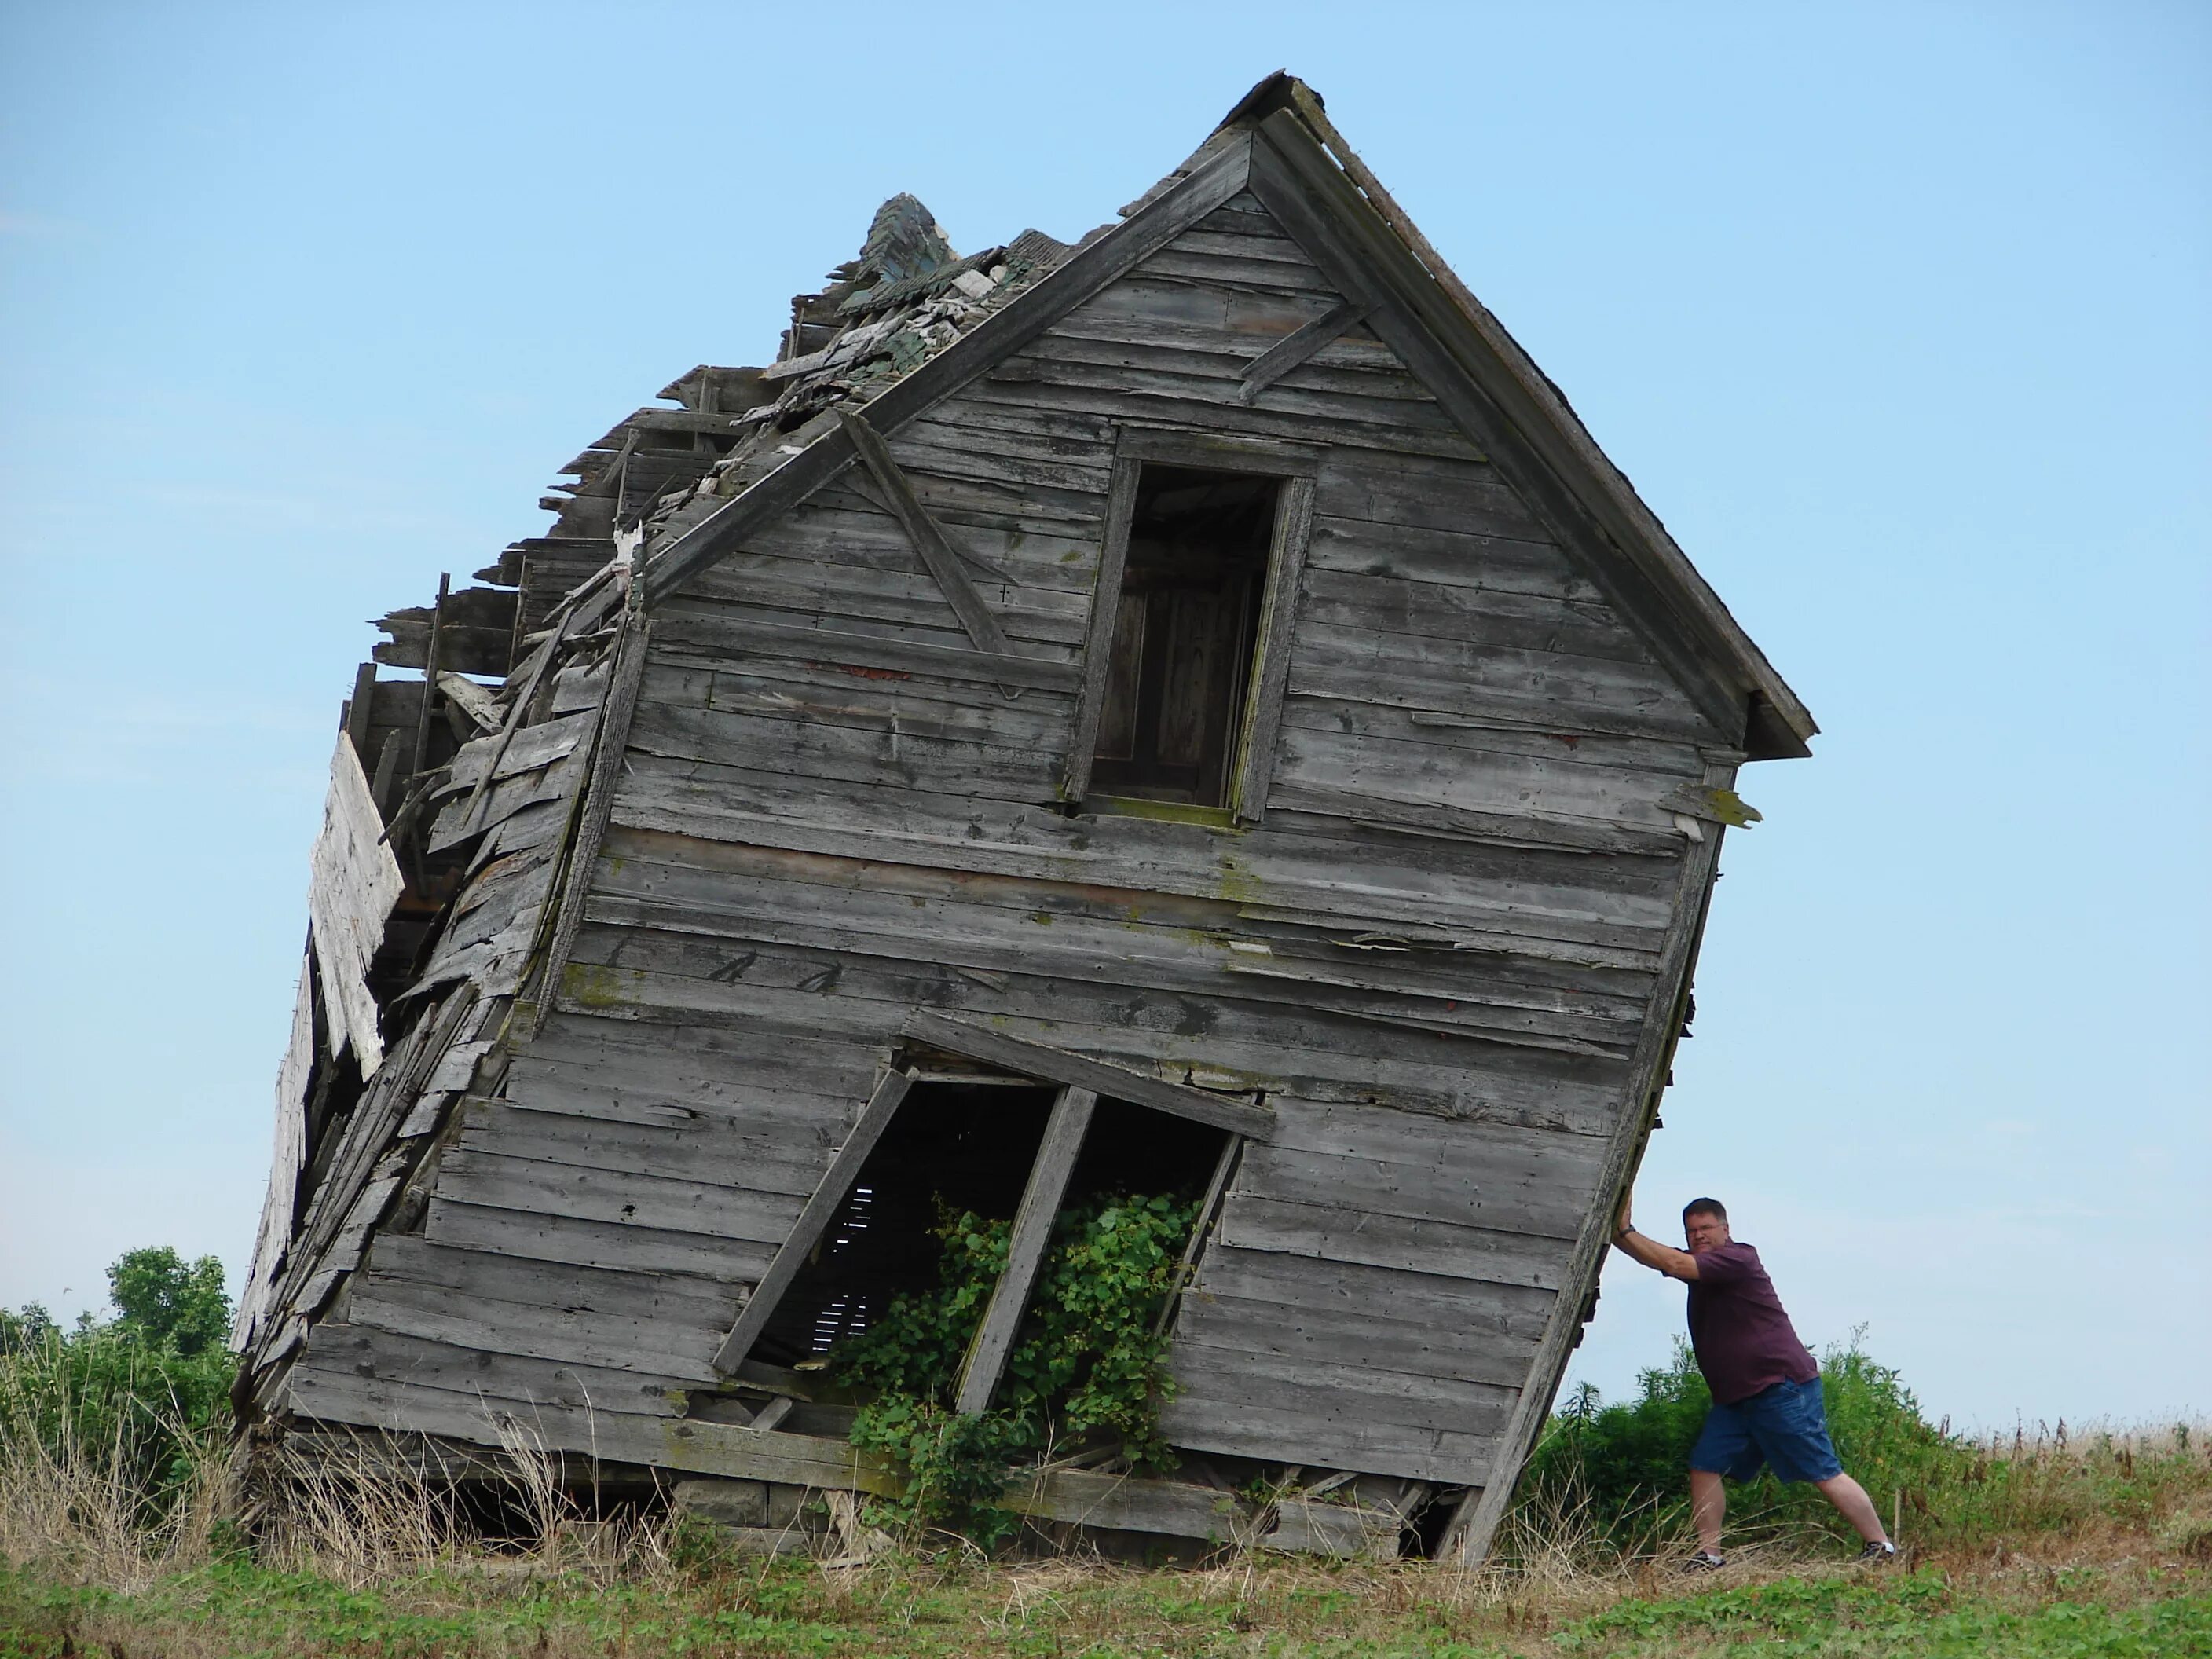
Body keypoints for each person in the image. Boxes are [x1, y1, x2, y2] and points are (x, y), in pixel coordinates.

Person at [1612, 1192, 1898, 1570]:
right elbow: (1662, 1259)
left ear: (1725, 1229)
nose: (1698, 1235)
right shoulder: (1703, 1266)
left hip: (1779, 1387)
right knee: (1705, 1466)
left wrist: (1625, 1230)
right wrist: (1617, 1233)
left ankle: (1881, 1547)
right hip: (1736, 1397)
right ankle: (1709, 1555)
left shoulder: (1738, 1259)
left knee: (1822, 1470)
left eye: (1706, 1228)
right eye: (1691, 1230)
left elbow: (1672, 1261)